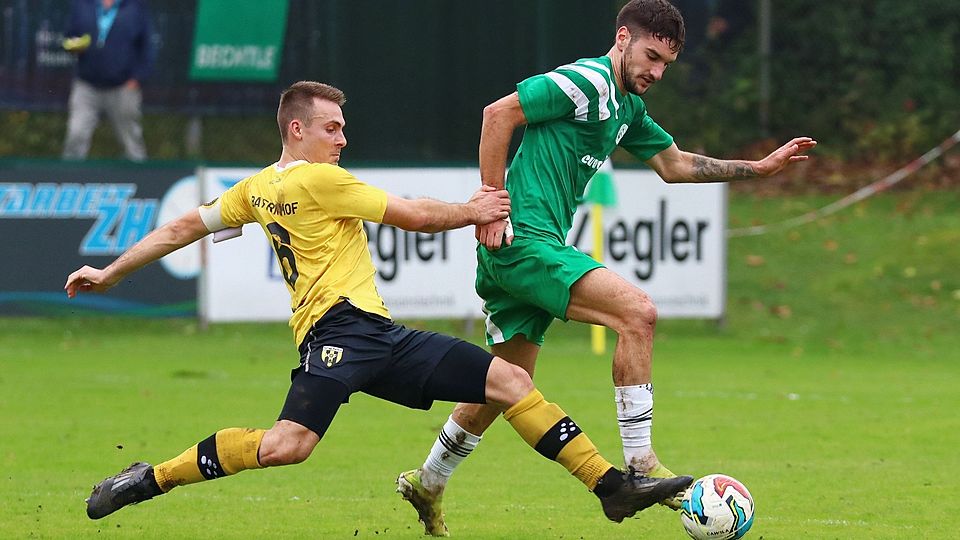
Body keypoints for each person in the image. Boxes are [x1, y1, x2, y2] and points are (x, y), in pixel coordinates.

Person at [65, 81, 692, 527]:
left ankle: (610, 486)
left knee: (508, 380)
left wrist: (113, 272)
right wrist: (475, 209)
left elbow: (181, 229)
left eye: (343, 126)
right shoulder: (320, 179)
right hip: (335, 336)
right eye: (332, 127)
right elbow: (414, 216)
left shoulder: (255, 189)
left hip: (379, 335)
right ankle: (151, 478)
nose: (343, 137)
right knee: (288, 446)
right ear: (297, 129)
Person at [397, 0, 816, 535]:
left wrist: (759, 168)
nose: (656, 72)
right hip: (522, 242)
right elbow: (499, 114)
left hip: (526, 251)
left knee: (503, 385)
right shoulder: (588, 82)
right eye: (650, 56)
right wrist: (491, 200)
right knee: (637, 312)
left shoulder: (625, 108)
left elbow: (675, 164)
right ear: (623, 37)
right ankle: (640, 464)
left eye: (666, 64)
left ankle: (427, 481)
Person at [61, 0, 154, 161]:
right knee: (76, 134)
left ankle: (140, 177)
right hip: (86, 85)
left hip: (123, 87)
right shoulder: (83, 5)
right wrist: (74, 45)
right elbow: (69, 36)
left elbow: (147, 46)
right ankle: (70, 178)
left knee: (131, 139)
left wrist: (137, 78)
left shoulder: (135, 7)